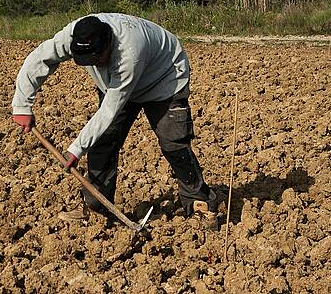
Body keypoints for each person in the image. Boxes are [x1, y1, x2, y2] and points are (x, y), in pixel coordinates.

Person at [11, 13, 218, 229]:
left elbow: (110, 109)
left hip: (164, 79)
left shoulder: (129, 52)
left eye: (97, 59)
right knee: (103, 142)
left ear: (108, 44)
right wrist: (22, 105)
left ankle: (201, 203)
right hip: (115, 84)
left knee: (174, 143)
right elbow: (39, 58)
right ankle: (95, 208)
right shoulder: (73, 35)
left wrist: (75, 149)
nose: (95, 65)